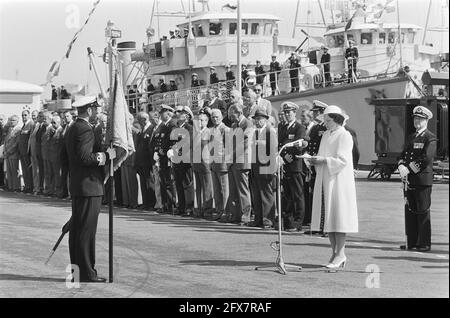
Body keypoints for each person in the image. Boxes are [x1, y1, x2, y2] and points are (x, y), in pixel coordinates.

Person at [64, 96, 115, 283]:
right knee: (85, 232)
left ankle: (77, 273)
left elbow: (66, 158)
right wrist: (104, 155)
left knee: (78, 231)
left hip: (80, 185)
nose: (97, 112)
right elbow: (85, 158)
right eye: (96, 109)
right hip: (89, 186)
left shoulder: (72, 128)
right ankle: (86, 273)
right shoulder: (85, 129)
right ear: (90, 110)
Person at [308, 105, 358, 269]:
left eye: (328, 121)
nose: (325, 124)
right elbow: (323, 154)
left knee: (339, 217)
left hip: (339, 182)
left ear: (337, 120)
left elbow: (342, 160)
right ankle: (334, 253)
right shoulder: (326, 135)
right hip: (325, 179)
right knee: (328, 218)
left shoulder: (345, 136)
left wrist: (323, 161)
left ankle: (340, 253)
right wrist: (314, 160)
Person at [398, 106, 437, 252]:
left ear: (426, 120)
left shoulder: (430, 137)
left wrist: (409, 168)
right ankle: (412, 242)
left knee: (422, 212)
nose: (417, 121)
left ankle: (424, 243)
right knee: (410, 211)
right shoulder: (411, 137)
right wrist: (401, 165)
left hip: (422, 180)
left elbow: (426, 158)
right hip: (409, 180)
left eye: (420, 119)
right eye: (415, 118)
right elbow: (403, 154)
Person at [278, 101, 307, 231]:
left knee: (297, 195)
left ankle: (298, 222)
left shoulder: (299, 127)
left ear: (294, 113)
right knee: (287, 195)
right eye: (285, 112)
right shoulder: (282, 127)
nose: (287, 114)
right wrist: (284, 157)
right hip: (285, 165)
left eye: (289, 112)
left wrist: (290, 156)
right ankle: (288, 221)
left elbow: (299, 144)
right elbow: (280, 144)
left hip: (295, 165)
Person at [249, 108, 277, 228]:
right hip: (256, 166)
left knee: (266, 194)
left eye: (259, 118)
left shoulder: (270, 131)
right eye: (256, 119)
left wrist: (262, 144)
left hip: (266, 165)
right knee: (257, 194)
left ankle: (268, 220)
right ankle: (258, 219)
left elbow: (274, 148)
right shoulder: (256, 132)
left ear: (265, 119)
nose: (257, 121)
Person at [304, 100, 328, 235]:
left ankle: (324, 226)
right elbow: (310, 143)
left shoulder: (326, 129)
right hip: (314, 165)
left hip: (322, 165)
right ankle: (317, 225)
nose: (314, 115)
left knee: (323, 196)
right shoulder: (316, 128)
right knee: (315, 195)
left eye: (316, 112)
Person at [228, 104, 253, 225]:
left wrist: (231, 155)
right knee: (233, 190)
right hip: (233, 161)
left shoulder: (247, 124)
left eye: (232, 115)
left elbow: (245, 143)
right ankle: (235, 214)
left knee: (243, 190)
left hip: (242, 161)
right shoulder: (233, 125)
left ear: (238, 113)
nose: (231, 117)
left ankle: (245, 216)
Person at [153, 105, 177, 213]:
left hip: (168, 157)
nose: (160, 114)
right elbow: (158, 140)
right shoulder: (163, 126)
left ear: (168, 113)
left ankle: (172, 205)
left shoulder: (172, 125)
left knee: (170, 182)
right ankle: (166, 205)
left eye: (162, 112)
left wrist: (164, 150)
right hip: (162, 157)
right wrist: (157, 151)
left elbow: (172, 141)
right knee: (164, 182)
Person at [170, 106, 195, 216]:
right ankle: (181, 207)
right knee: (179, 184)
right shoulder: (176, 128)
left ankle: (189, 207)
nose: (179, 114)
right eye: (178, 112)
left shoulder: (189, 128)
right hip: (176, 160)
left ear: (187, 116)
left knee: (187, 185)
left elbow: (187, 144)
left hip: (185, 160)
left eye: (182, 112)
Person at [209, 109, 231, 221]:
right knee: (217, 190)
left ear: (222, 116)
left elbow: (228, 148)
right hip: (213, 163)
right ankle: (219, 210)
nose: (215, 118)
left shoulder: (225, 129)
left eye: (217, 116)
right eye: (213, 117)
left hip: (222, 163)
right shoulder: (212, 130)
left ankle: (226, 212)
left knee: (225, 189)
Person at [192, 112, 213, 218]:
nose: (199, 122)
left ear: (206, 121)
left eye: (202, 120)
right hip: (196, 163)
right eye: (198, 120)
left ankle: (208, 210)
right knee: (198, 187)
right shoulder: (196, 133)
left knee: (207, 187)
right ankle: (199, 209)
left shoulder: (209, 132)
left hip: (205, 163)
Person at [135, 112, 156, 210]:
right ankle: (146, 202)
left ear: (144, 119)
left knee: (149, 182)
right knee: (144, 183)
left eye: (139, 120)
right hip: (141, 162)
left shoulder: (151, 129)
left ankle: (151, 203)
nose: (138, 122)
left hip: (148, 161)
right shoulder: (142, 130)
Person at [18, 110, 34, 193]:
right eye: (22, 115)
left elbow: (30, 140)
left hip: (27, 152)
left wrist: (30, 152)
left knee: (28, 170)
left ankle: (30, 186)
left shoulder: (31, 124)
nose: (24, 117)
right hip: (22, 152)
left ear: (29, 115)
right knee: (24, 170)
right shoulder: (23, 125)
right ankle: (27, 185)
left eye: (25, 115)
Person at [4, 115, 21, 191]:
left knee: (14, 171)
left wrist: (9, 151)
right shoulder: (10, 130)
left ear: (17, 121)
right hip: (7, 153)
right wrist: (5, 151)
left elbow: (16, 143)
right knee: (9, 171)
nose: (11, 122)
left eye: (13, 120)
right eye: (11, 120)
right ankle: (10, 186)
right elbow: (6, 141)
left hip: (13, 153)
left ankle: (16, 187)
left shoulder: (18, 130)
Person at [48, 115, 63, 197]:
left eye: (54, 123)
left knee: (58, 175)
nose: (53, 124)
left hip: (57, 156)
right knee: (52, 174)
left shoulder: (61, 131)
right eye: (52, 123)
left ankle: (58, 191)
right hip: (52, 156)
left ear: (59, 122)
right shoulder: (53, 131)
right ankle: (53, 190)